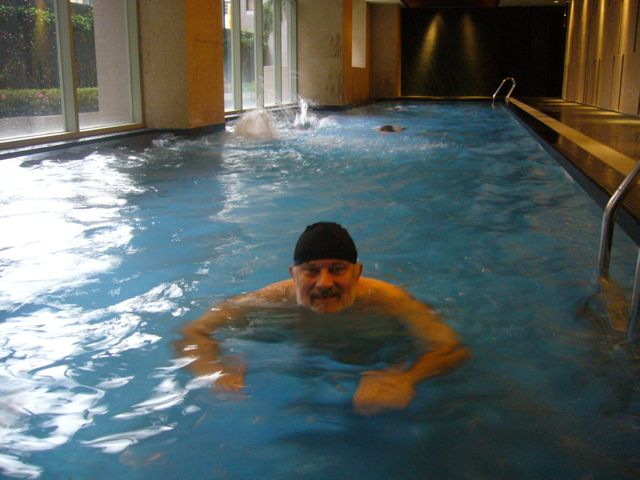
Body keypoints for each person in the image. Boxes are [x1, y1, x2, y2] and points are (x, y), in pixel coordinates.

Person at [175, 222, 469, 415]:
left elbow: (450, 348)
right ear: (294, 274)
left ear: (357, 272)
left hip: (374, 360)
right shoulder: (269, 299)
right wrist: (215, 370)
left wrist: (406, 377)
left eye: (337, 269)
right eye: (311, 270)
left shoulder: (389, 301)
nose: (324, 283)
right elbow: (194, 333)